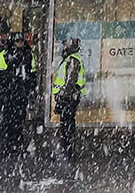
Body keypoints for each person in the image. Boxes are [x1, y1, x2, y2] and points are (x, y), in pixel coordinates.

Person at [0, 32, 38, 168]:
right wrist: (5, 90)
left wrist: (28, 87)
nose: (20, 44)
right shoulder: (5, 55)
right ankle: (6, 149)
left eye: (22, 41)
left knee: (19, 122)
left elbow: (33, 74)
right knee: (7, 122)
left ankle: (16, 148)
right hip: (10, 95)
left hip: (21, 95)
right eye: (17, 41)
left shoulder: (28, 55)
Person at [52, 37, 86, 171]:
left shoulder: (72, 60)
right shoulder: (71, 59)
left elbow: (70, 82)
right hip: (70, 98)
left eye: (66, 45)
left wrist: (61, 98)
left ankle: (68, 153)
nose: (64, 47)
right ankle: (67, 152)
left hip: (69, 98)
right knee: (67, 125)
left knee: (67, 126)